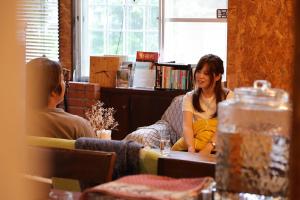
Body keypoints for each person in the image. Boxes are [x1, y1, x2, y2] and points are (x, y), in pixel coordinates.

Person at [171, 54, 234, 154]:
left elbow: (223, 127)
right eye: (199, 71)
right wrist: (191, 148)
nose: (200, 76)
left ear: (217, 76)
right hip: (195, 143)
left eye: (206, 73)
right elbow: (187, 126)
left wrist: (208, 148)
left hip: (218, 145)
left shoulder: (229, 97)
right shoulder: (189, 97)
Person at [26, 57, 96, 139]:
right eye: (62, 79)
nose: (65, 84)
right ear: (54, 91)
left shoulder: (13, 122)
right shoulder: (79, 126)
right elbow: (99, 151)